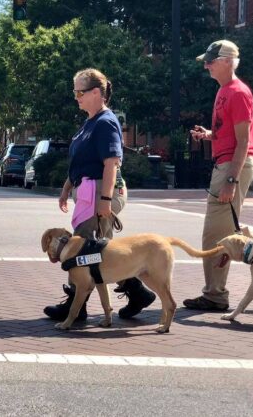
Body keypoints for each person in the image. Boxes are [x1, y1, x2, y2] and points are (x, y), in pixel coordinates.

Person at [44, 68, 157, 321]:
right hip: (88, 192)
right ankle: (136, 291)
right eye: (75, 91)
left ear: (97, 93)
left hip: (101, 193)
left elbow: (111, 164)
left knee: (83, 250)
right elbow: (81, 163)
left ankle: (77, 304)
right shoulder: (90, 122)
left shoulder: (105, 122)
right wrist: (66, 188)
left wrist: (105, 202)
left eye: (79, 91)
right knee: (98, 251)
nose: (76, 96)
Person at [183, 40, 253, 310]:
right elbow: (231, 134)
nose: (206, 65)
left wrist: (230, 179)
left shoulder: (238, 92)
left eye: (211, 60)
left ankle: (215, 295)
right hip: (227, 163)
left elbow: (243, 142)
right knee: (231, 230)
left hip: (231, 167)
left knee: (214, 236)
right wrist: (210, 135)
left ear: (228, 61)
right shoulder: (224, 91)